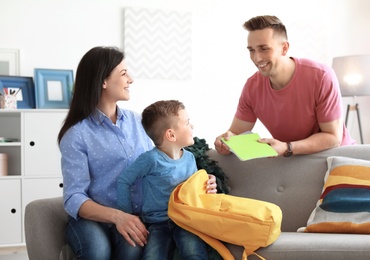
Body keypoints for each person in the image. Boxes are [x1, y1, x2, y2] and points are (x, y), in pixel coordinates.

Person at [57, 46, 154, 259]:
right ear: (103, 81)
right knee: (97, 250)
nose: (131, 79)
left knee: (134, 246)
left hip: (133, 216)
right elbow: (74, 197)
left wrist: (201, 178)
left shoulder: (139, 122)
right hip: (92, 218)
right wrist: (118, 217)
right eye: (123, 73)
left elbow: (163, 163)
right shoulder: (77, 134)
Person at [214, 15, 356, 157]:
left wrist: (287, 147)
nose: (256, 58)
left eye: (264, 48)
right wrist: (226, 141)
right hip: (293, 160)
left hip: (337, 159)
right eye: (251, 50)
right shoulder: (252, 87)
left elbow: (332, 137)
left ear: (284, 48)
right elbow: (237, 134)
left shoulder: (322, 76)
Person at [117, 100, 217, 260]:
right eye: (187, 123)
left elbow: (193, 189)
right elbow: (124, 181)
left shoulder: (190, 158)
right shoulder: (150, 159)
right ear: (171, 134)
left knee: (194, 254)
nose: (192, 126)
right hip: (157, 223)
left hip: (185, 221)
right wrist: (127, 214)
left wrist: (206, 181)